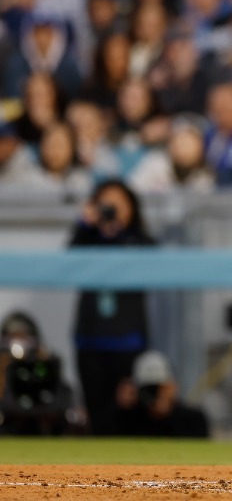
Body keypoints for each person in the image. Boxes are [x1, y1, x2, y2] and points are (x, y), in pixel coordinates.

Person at [69, 179, 155, 435]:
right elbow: (68, 260)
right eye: (106, 204)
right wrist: (85, 224)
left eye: (120, 204)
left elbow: (153, 259)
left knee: (130, 410)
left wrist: (123, 232)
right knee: (96, 412)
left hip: (129, 342)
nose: (112, 210)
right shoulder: (87, 239)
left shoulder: (139, 240)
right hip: (91, 340)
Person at [112, 350, 209, 438]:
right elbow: (103, 433)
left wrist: (168, 412)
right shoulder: (127, 419)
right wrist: (119, 407)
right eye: (146, 387)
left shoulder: (193, 419)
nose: (152, 392)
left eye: (159, 387)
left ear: (173, 386)